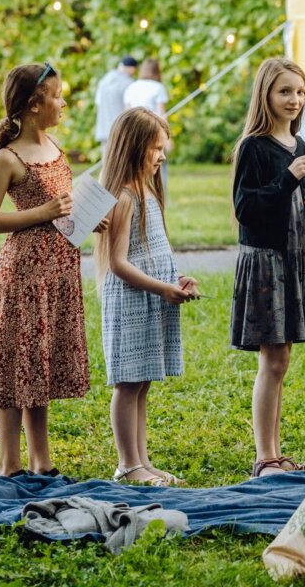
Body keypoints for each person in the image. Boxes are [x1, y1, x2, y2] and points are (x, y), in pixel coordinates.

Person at [0, 62, 102, 477]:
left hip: (58, 270)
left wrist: (83, 216)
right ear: (34, 104)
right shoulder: (7, 159)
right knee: (16, 365)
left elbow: (60, 206)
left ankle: (41, 461)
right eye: (56, 95)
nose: (62, 102)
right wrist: (42, 212)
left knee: (40, 364)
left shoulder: (54, 146)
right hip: (24, 274)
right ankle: (9, 465)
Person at [230, 57, 305, 478]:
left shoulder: (299, 146)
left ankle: (276, 452)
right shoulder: (254, 146)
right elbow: (246, 209)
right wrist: (287, 179)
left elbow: (288, 205)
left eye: (300, 92)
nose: (294, 99)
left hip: (293, 258)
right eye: (285, 91)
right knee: (271, 359)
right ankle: (264, 457)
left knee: (282, 360)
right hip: (266, 262)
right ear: (266, 94)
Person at [97, 108, 199, 486]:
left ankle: (142, 460)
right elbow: (119, 264)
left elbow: (151, 254)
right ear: (134, 147)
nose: (162, 156)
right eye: (156, 148)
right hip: (131, 300)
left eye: (163, 148)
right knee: (128, 383)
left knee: (143, 382)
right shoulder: (123, 198)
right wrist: (162, 288)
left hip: (151, 296)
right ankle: (128, 464)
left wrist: (176, 279)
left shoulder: (148, 194)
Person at [124, 58, 170, 192]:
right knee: (160, 164)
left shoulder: (131, 87)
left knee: (136, 163)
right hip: (154, 131)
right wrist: (168, 138)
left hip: (134, 132)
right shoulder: (158, 88)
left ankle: (136, 191)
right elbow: (161, 114)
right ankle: (160, 194)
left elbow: (127, 113)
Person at [95, 56, 137, 152]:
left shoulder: (104, 81)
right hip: (121, 126)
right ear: (131, 68)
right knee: (120, 159)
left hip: (104, 126)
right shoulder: (129, 83)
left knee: (106, 158)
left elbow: (98, 103)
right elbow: (131, 106)